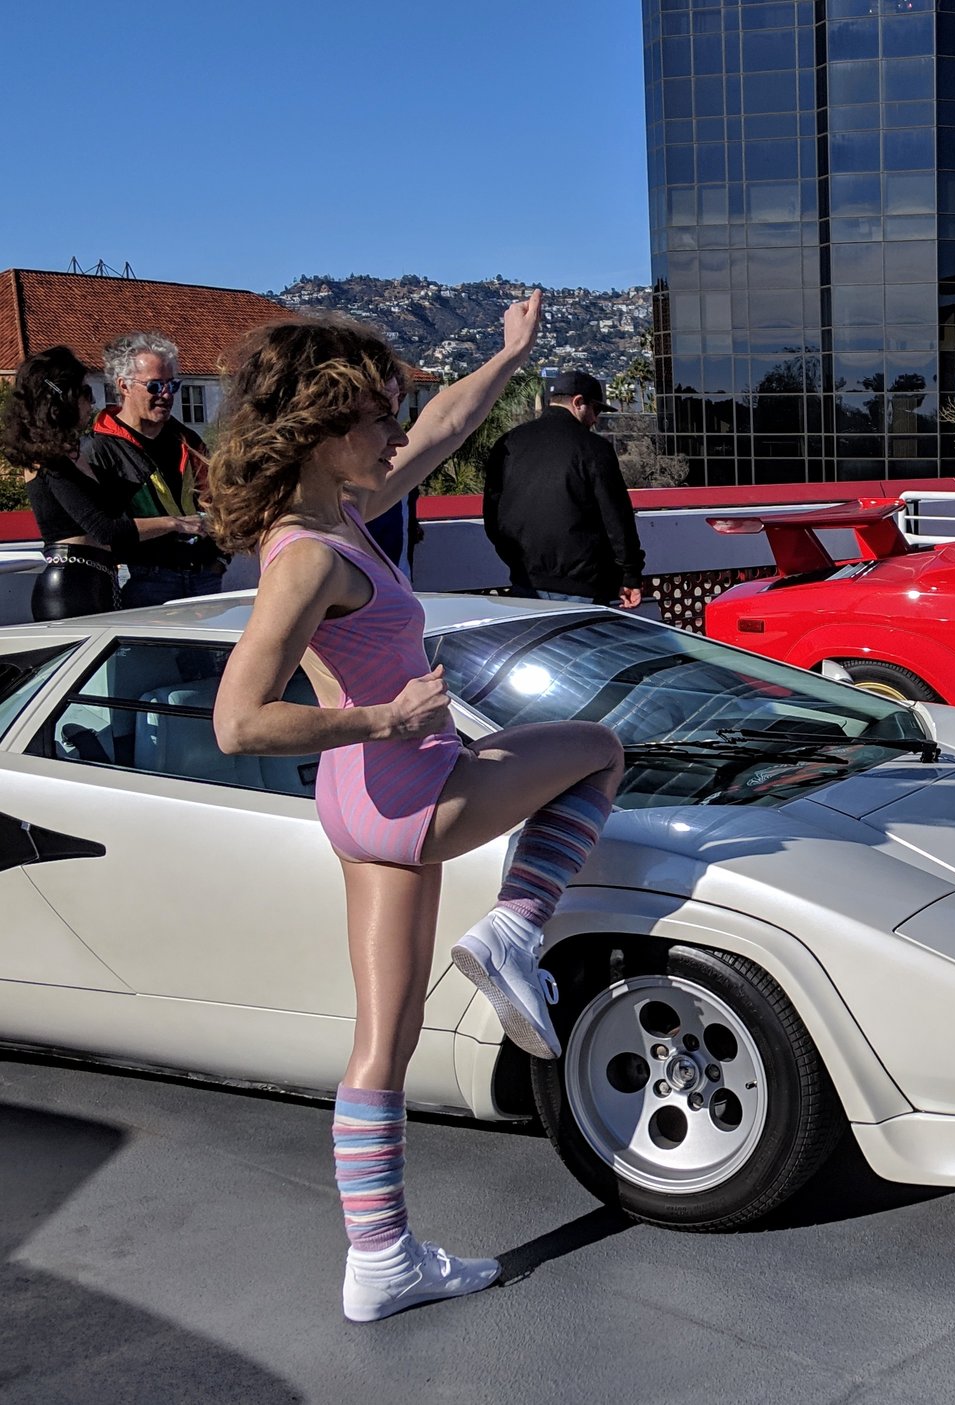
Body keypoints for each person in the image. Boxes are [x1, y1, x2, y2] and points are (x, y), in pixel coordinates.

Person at [207, 296, 627, 1324]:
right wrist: (386, 717)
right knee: (597, 751)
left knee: (384, 1039)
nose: (397, 434)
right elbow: (238, 721)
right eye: (378, 417)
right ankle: (516, 928)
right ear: (324, 429)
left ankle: (381, 1258)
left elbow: (442, 427)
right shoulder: (311, 553)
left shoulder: (330, 516)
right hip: (406, 784)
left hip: (361, 805)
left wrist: (507, 356)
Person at [1, 347, 198, 619]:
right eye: (85, 392)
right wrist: (175, 523)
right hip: (71, 584)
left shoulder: (72, 453)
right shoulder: (47, 459)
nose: (92, 402)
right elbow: (104, 529)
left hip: (97, 578)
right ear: (62, 398)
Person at [83, 332, 229, 606]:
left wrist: (220, 559)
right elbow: (101, 527)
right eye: (155, 386)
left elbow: (220, 501)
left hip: (204, 575)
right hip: (145, 579)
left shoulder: (187, 440)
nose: (166, 394)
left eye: (172, 385)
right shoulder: (99, 450)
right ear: (124, 386)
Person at [482, 370, 645, 607]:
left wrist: (516, 560)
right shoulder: (594, 448)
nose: (595, 419)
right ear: (578, 402)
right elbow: (617, 518)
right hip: (584, 585)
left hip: (525, 581)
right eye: (595, 410)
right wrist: (630, 574)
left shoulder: (509, 443)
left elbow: (492, 516)